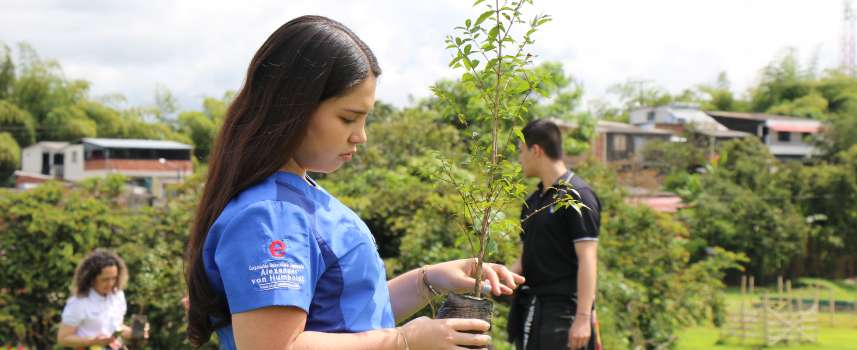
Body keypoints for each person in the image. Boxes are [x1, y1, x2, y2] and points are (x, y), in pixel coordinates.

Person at [183, 15, 525, 350]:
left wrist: (427, 281)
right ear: (293, 107)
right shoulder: (271, 216)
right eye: (348, 118)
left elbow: (345, 318)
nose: (360, 136)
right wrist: (402, 341)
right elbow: (271, 345)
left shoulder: (298, 197)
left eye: (365, 119)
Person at [508, 119, 601, 350]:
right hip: (532, 308)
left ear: (536, 150)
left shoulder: (577, 195)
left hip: (564, 313)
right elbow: (528, 255)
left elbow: (587, 258)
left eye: (521, 151)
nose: (519, 159)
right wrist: (496, 280)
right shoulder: (533, 202)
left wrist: (582, 318)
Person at [56, 249, 148, 349]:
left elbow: (116, 327)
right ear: (91, 279)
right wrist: (93, 341)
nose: (111, 283)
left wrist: (135, 332)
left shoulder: (118, 295)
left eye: (114, 278)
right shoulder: (78, 302)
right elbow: (63, 338)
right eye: (105, 279)